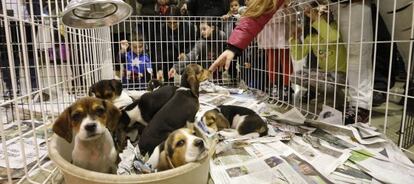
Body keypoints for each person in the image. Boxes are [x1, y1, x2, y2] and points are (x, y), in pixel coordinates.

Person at [289, 7, 347, 104]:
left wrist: (316, 19)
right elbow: (298, 56)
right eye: (315, 15)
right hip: (326, 74)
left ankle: (335, 97)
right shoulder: (311, 36)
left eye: (321, 14)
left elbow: (332, 38)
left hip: (342, 74)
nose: (318, 17)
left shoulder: (335, 27)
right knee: (297, 76)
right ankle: (328, 95)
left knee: (318, 78)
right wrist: (296, 39)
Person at [331, 0, 373, 124]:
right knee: (352, 53)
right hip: (337, 4)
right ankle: (356, 104)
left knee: (358, 52)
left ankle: (361, 106)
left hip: (356, 3)